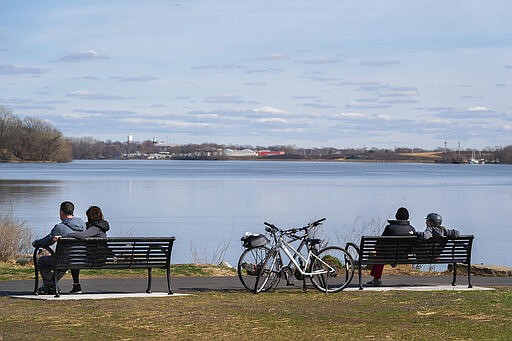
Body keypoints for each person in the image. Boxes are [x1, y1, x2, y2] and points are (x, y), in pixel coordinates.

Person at [54, 205, 110, 294]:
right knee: (75, 258)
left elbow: (82, 235)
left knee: (73, 259)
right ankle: (75, 286)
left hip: (97, 259)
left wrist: (67, 235)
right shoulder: (100, 226)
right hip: (99, 256)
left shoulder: (96, 228)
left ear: (90, 216)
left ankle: (53, 285)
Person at [32, 201, 85, 295]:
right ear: (72, 211)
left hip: (64, 260)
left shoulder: (59, 227)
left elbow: (46, 241)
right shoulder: (83, 225)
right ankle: (51, 286)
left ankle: (51, 285)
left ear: (61, 212)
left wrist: (36, 243)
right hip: (80, 259)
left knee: (42, 260)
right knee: (63, 262)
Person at [366, 207, 416, 286]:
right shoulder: (412, 229)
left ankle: (376, 279)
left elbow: (380, 242)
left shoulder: (390, 228)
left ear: (396, 216)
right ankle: (393, 260)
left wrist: (377, 249)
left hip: (388, 256)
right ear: (407, 217)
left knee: (380, 256)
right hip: (403, 256)